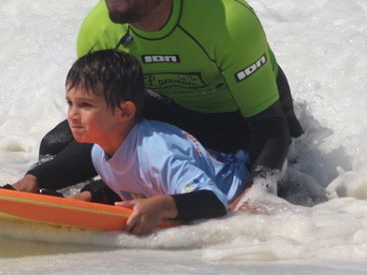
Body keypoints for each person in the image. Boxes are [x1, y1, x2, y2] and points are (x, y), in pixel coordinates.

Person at [12, 0, 303, 197]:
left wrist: (256, 194)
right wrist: (36, 177)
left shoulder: (226, 22)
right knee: (55, 148)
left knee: (261, 179)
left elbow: (270, 128)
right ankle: (52, 191)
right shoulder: (99, 31)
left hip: (246, 125)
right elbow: (106, 123)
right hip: (173, 117)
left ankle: (100, 193)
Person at [65, 49, 250, 235]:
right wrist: (89, 197)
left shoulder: (159, 153)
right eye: (70, 103)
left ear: (124, 112)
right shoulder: (98, 152)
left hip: (242, 189)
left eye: (85, 105)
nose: (72, 115)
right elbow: (134, 182)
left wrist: (161, 206)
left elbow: (215, 200)